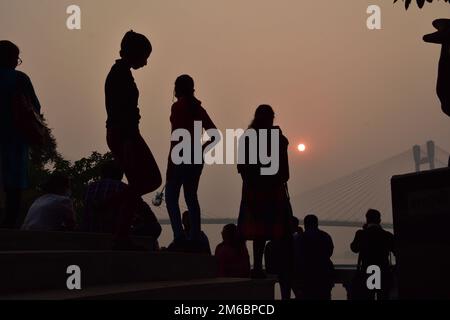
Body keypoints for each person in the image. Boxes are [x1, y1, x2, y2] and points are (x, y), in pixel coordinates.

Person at [105, 31, 162, 249]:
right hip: (125, 134)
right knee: (149, 180)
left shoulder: (121, 73)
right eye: (145, 56)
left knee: (142, 182)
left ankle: (120, 226)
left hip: (125, 133)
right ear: (134, 53)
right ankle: (119, 228)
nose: (146, 62)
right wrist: (128, 141)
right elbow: (120, 111)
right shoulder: (119, 75)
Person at [237, 105, 291, 279]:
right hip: (273, 191)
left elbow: (242, 167)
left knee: (257, 232)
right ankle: (280, 267)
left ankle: (258, 266)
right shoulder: (279, 139)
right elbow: (285, 173)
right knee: (278, 232)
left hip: (253, 191)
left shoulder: (248, 138)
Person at [165, 75, 217, 245]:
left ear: (177, 88)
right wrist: (201, 148)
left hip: (179, 156)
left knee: (171, 197)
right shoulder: (199, 109)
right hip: (195, 157)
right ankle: (194, 236)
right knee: (191, 197)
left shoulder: (177, 107)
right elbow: (215, 135)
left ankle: (179, 236)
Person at [0, 40, 42, 228]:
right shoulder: (19, 79)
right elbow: (35, 107)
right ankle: (9, 224)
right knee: (14, 184)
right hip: (15, 137)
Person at [81, 160, 162, 248]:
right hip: (115, 234)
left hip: (91, 232)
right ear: (121, 174)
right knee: (155, 227)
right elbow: (149, 217)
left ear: (102, 173)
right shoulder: (124, 188)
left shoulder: (89, 188)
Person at [350, 209, 395, 300]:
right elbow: (396, 250)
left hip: (368, 272)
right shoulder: (387, 235)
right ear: (379, 220)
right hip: (383, 272)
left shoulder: (361, 234)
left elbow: (354, 249)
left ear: (367, 220)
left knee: (368, 296)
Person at [294, 214, 335, 300]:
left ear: (305, 225)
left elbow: (297, 255)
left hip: (306, 277)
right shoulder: (325, 236)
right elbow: (329, 252)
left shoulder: (300, 238)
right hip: (324, 275)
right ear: (317, 224)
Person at [265, 216, 303, 300]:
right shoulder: (293, 240)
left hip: (279, 272)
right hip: (289, 272)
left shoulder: (273, 242)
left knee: (286, 294)